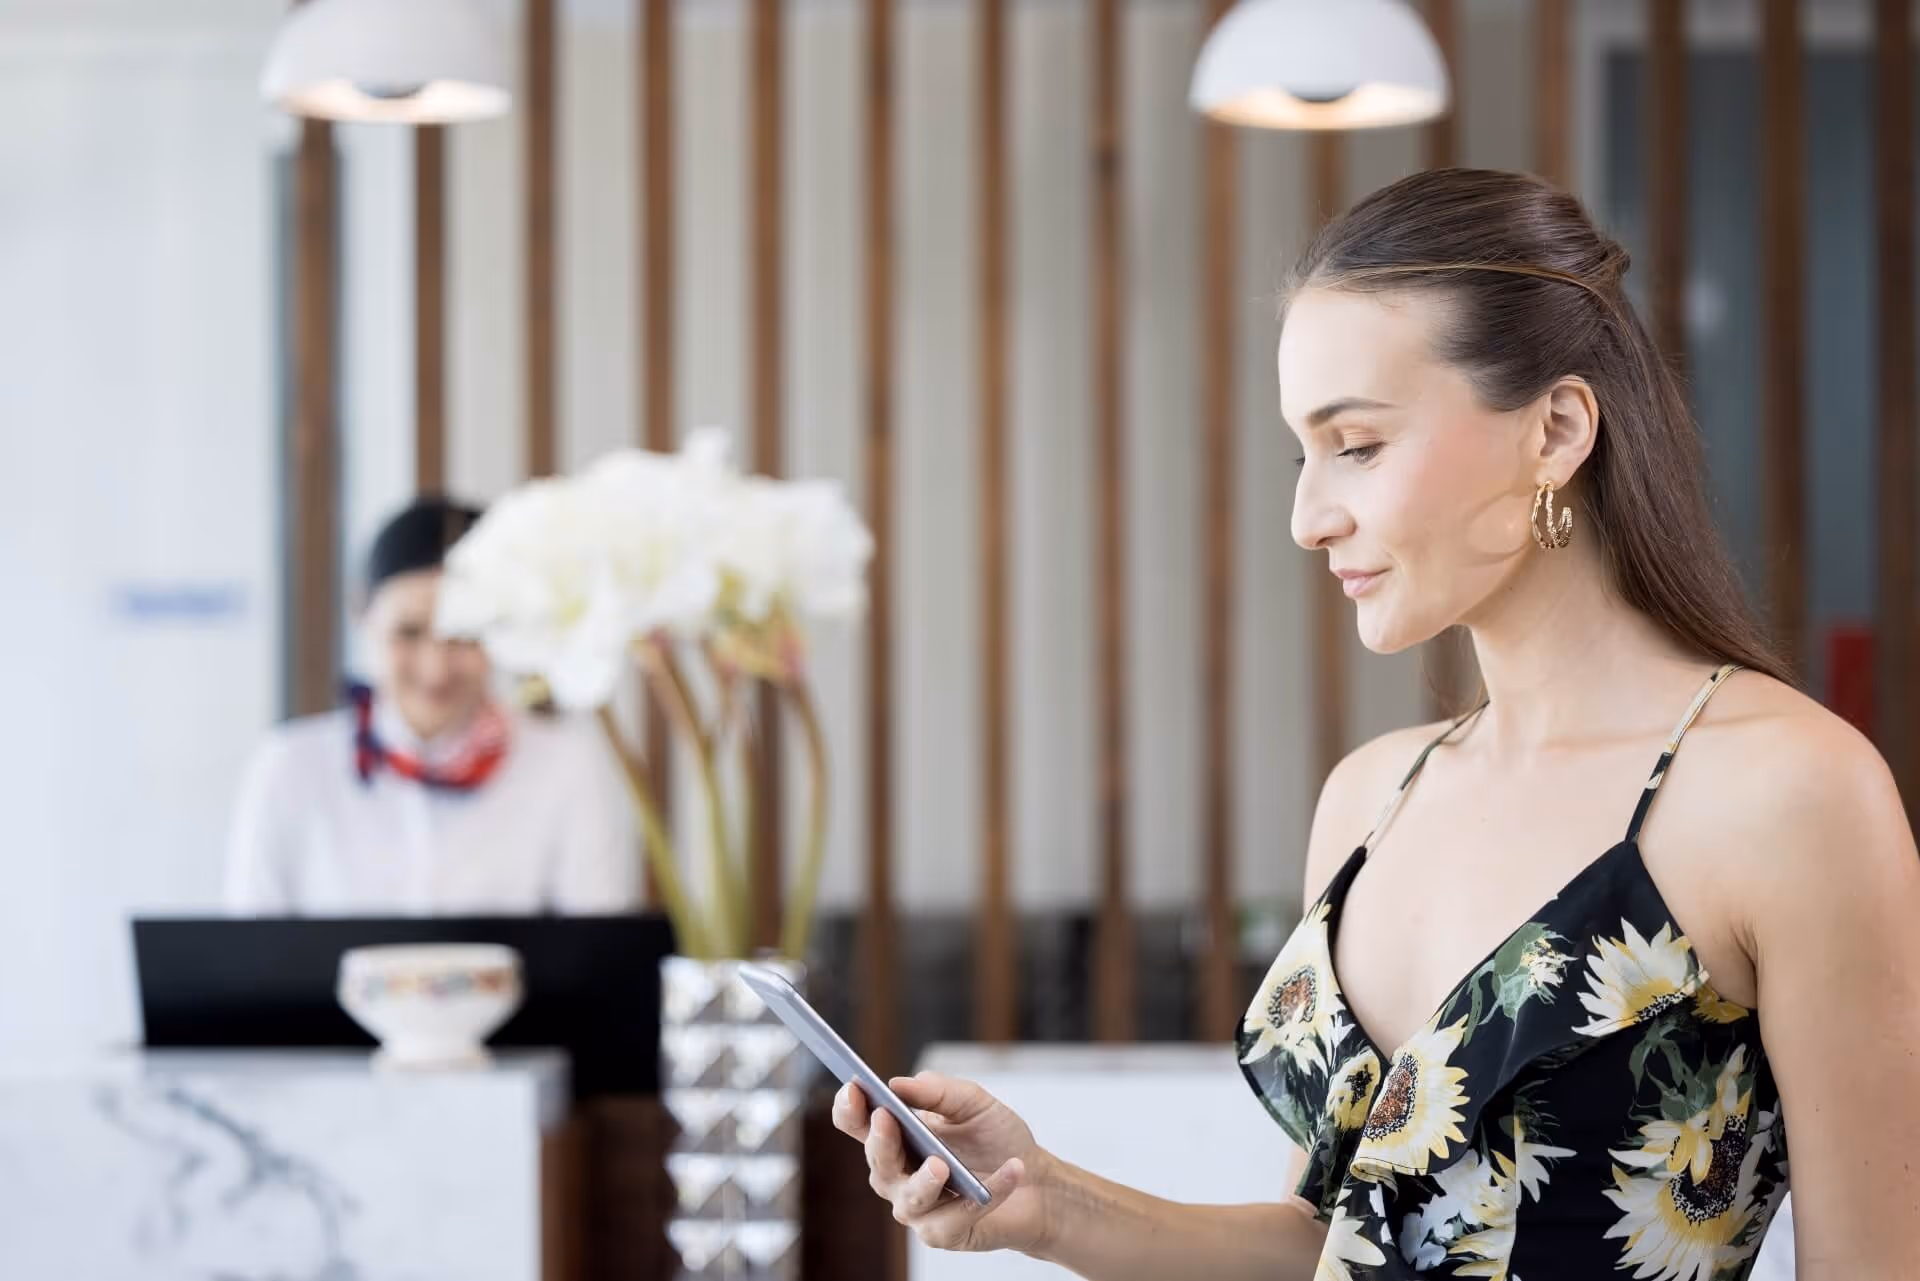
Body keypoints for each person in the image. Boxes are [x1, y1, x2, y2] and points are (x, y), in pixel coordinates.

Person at [832, 168, 1920, 1278]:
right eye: (1301, 454)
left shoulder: (1788, 793)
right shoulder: (1372, 799)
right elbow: (1336, 1244)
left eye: (1356, 445)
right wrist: (1047, 1202)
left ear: (1554, 429)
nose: (1309, 517)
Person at [225, 496, 639, 917]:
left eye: (463, 635)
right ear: (362, 617)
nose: (435, 669)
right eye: (408, 632)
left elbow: (596, 958)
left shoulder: (566, 766)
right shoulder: (289, 769)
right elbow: (251, 961)